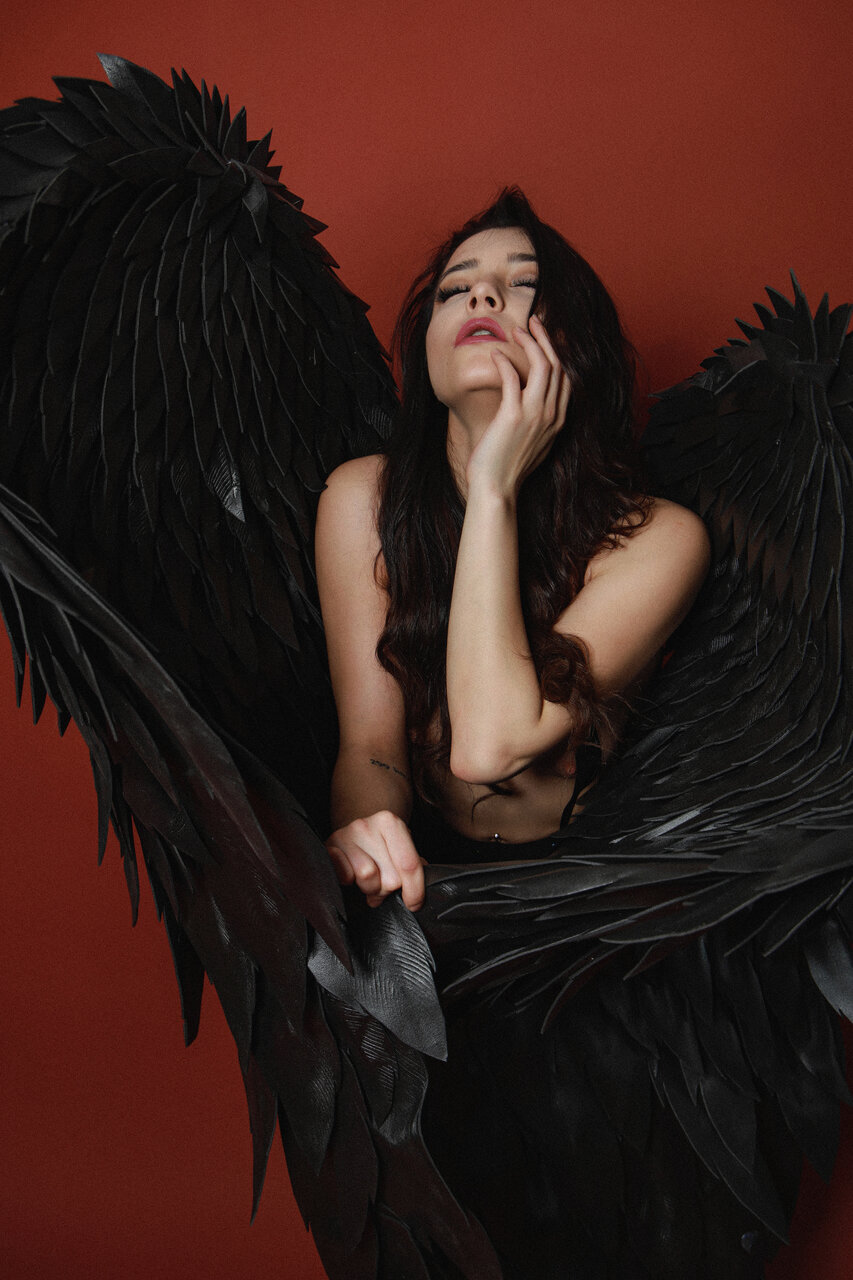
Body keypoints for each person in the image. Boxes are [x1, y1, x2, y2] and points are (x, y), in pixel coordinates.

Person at [315, 188, 710, 904]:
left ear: (575, 345)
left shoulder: (659, 537)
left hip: (595, 887)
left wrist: (494, 484)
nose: (481, 297)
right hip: (427, 878)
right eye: (453, 290)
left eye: (523, 283)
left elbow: (487, 746)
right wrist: (370, 834)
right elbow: (371, 749)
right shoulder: (361, 499)